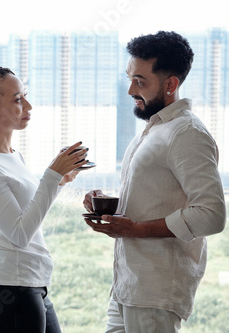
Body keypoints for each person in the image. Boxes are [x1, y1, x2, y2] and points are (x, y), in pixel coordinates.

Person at [83, 31, 226, 333]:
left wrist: (135, 230)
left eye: (140, 81)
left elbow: (212, 215)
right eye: (129, 78)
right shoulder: (155, 129)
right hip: (126, 286)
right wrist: (109, 206)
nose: (130, 90)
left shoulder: (187, 133)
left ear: (171, 84)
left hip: (155, 292)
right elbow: (153, 198)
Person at [0, 65, 88, 333]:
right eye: (18, 99)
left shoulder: (12, 156)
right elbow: (19, 235)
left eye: (25, 96)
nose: (28, 106)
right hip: (8, 287)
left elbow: (29, 214)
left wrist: (60, 180)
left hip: (30, 282)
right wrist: (52, 175)